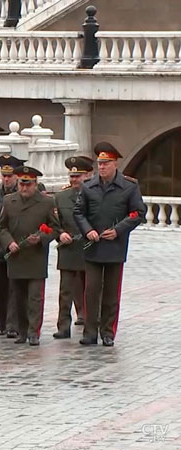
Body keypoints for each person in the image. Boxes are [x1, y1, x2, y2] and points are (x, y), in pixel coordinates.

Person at [74, 143, 146, 347]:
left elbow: (139, 213)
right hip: (93, 246)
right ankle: (89, 332)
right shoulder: (88, 186)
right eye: (100, 163)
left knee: (111, 293)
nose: (102, 167)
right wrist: (88, 230)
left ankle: (108, 332)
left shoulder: (129, 186)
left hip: (115, 247)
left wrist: (119, 230)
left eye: (106, 163)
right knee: (91, 290)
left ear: (115, 164)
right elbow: (79, 212)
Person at [0, 166, 59, 346]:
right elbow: (1, 227)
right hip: (16, 257)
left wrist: (40, 238)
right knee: (18, 297)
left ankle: (33, 332)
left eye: (28, 185)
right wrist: (9, 242)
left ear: (35, 184)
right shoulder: (9, 201)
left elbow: (55, 228)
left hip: (35, 257)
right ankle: (21, 331)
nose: (24, 188)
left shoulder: (46, 202)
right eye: (21, 184)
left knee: (35, 298)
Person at [52, 156, 94, 339]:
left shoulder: (95, 195)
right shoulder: (60, 197)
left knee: (92, 290)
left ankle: (92, 326)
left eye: (78, 176)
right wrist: (59, 234)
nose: (74, 180)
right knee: (65, 292)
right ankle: (63, 326)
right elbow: (53, 222)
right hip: (68, 249)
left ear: (88, 175)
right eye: (72, 176)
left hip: (90, 248)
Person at [0, 155, 24, 337]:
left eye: (10, 175)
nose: (7, 179)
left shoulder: (25, 190)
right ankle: (2, 323)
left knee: (15, 288)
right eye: (4, 175)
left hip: (18, 247)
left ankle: (13, 325)